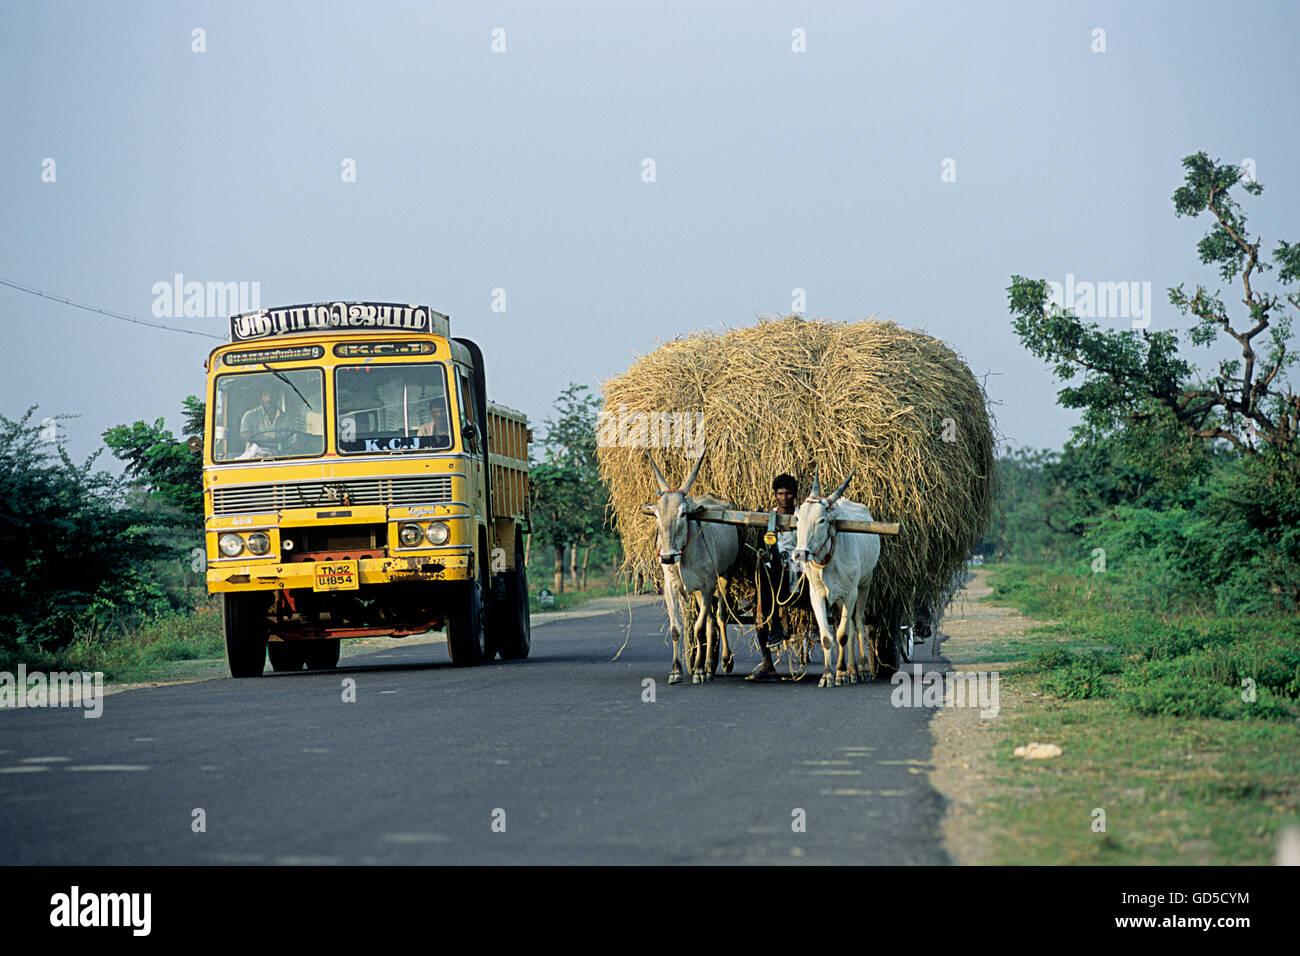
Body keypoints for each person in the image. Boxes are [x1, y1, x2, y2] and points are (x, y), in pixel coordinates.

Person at [747, 473, 803, 681]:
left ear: (794, 495)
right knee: (758, 606)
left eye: (789, 493)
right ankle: (768, 662)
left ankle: (777, 625)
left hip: (799, 570)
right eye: (780, 493)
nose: (785, 497)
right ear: (775, 495)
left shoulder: (803, 517)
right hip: (773, 572)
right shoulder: (768, 518)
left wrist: (796, 564)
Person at [239, 387, 288, 456]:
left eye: (272, 395)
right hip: (255, 456)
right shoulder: (249, 415)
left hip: (279, 457)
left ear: (277, 396)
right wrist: (250, 438)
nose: (269, 398)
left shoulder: (286, 418)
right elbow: (244, 436)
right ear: (261, 397)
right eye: (265, 395)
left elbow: (292, 441)